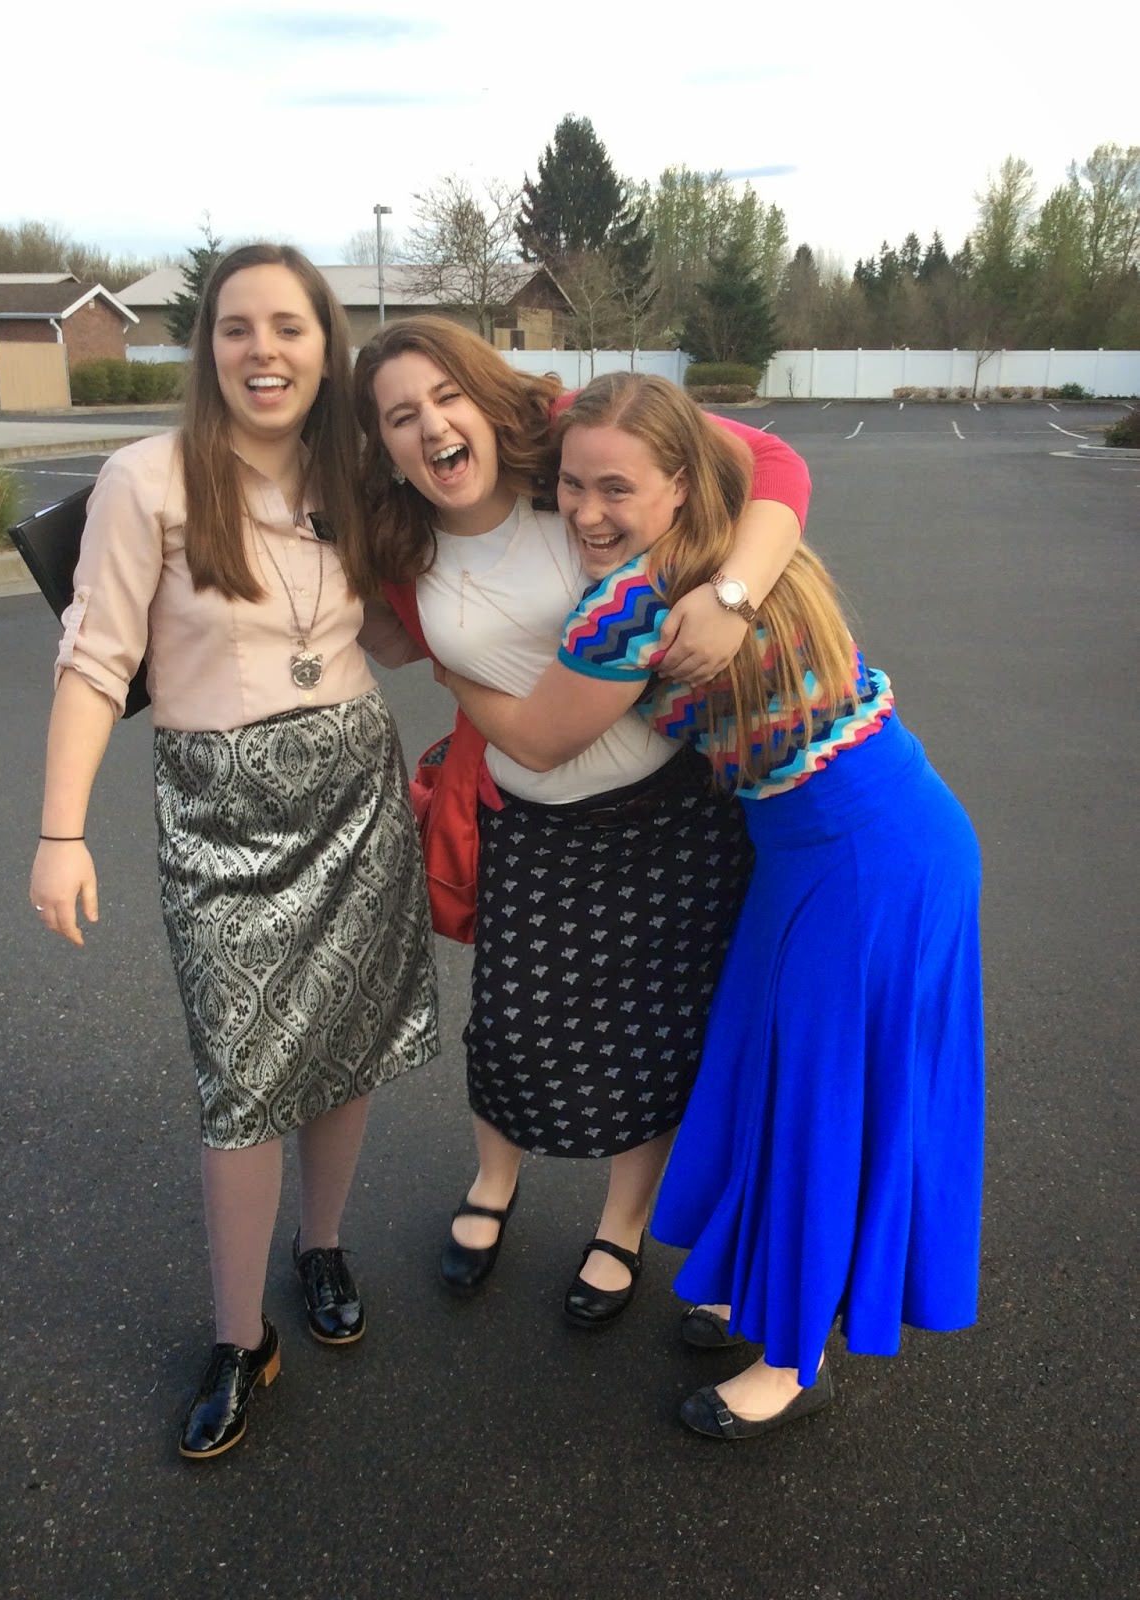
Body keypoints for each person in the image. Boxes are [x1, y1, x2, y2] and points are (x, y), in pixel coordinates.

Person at [437, 371, 984, 1439]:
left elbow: (539, 740)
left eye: (616, 488)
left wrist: (450, 667)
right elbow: (770, 466)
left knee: (820, 1102)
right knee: (765, 1078)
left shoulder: (629, 608)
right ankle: (761, 1289)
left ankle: (790, 1365)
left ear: (680, 485)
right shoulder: (745, 546)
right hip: (862, 834)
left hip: (862, 862)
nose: (586, 511)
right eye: (570, 486)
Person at [28, 244, 438, 1460]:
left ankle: (322, 1245)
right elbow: (96, 659)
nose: (264, 350)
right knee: (242, 1077)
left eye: (290, 328)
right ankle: (237, 1334)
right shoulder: (148, 477)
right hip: (221, 818)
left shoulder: (352, 475)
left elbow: (393, 627)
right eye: (237, 327)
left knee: (344, 1043)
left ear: (325, 347)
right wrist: (60, 832)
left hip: (355, 793)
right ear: (206, 346)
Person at [352, 318, 811, 1324]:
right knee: (509, 1024)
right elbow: (381, 633)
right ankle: (493, 1181)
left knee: (652, 1029)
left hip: (669, 815)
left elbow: (773, 463)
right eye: (400, 415)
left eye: (447, 396)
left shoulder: (567, 455)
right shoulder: (393, 540)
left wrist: (733, 594)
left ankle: (620, 1226)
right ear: (380, 443)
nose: (432, 425)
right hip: (530, 818)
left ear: (485, 397)